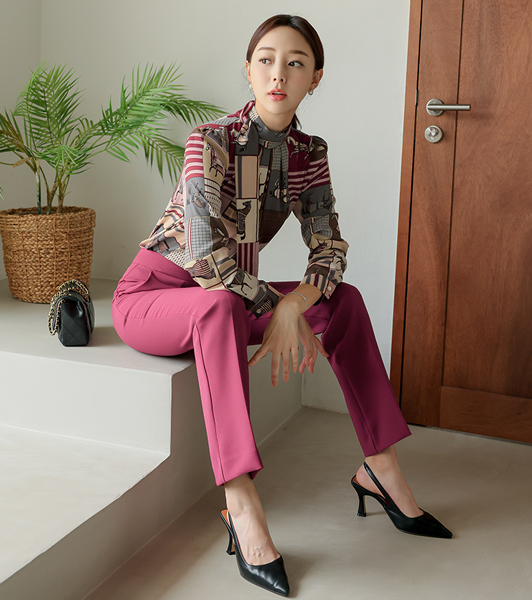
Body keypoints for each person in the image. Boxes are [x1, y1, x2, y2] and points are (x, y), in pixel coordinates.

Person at [112, 14, 452, 597]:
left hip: (233, 294)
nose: (279, 74)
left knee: (343, 302)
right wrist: (283, 304)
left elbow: (329, 246)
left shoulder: (308, 152)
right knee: (219, 306)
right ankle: (240, 501)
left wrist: (297, 303)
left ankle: (381, 468)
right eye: (266, 60)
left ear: (315, 78)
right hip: (155, 297)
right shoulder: (210, 141)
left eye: (296, 63)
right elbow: (205, 259)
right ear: (248, 70)